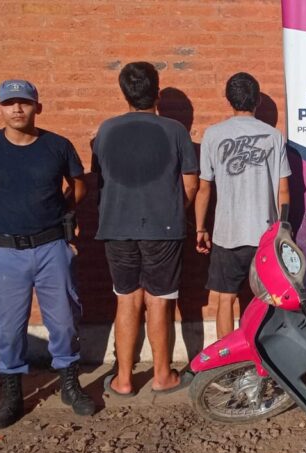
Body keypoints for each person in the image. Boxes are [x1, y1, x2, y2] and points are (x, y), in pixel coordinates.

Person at [0, 79, 95, 429]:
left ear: (37, 107)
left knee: (64, 321)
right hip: (7, 252)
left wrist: (61, 212)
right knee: (7, 328)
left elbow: (79, 186)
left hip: (52, 248)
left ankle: (70, 385)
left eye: (24, 102)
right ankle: (12, 394)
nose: (17, 109)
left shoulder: (57, 146)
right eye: (9, 103)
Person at [92, 62, 199, 397]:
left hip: (116, 226)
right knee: (159, 301)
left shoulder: (105, 130)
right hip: (163, 228)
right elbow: (191, 185)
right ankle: (162, 375)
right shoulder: (176, 131)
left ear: (124, 93)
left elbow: (101, 181)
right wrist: (172, 212)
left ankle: (123, 379)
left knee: (126, 299)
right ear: (157, 92)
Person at [195, 72, 291, 339]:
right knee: (268, 298)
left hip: (227, 233)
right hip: (265, 234)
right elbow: (283, 190)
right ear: (257, 100)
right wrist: (283, 230)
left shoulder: (213, 135)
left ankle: (228, 355)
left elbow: (204, 188)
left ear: (228, 100)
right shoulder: (274, 136)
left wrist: (200, 228)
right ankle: (265, 350)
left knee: (225, 298)